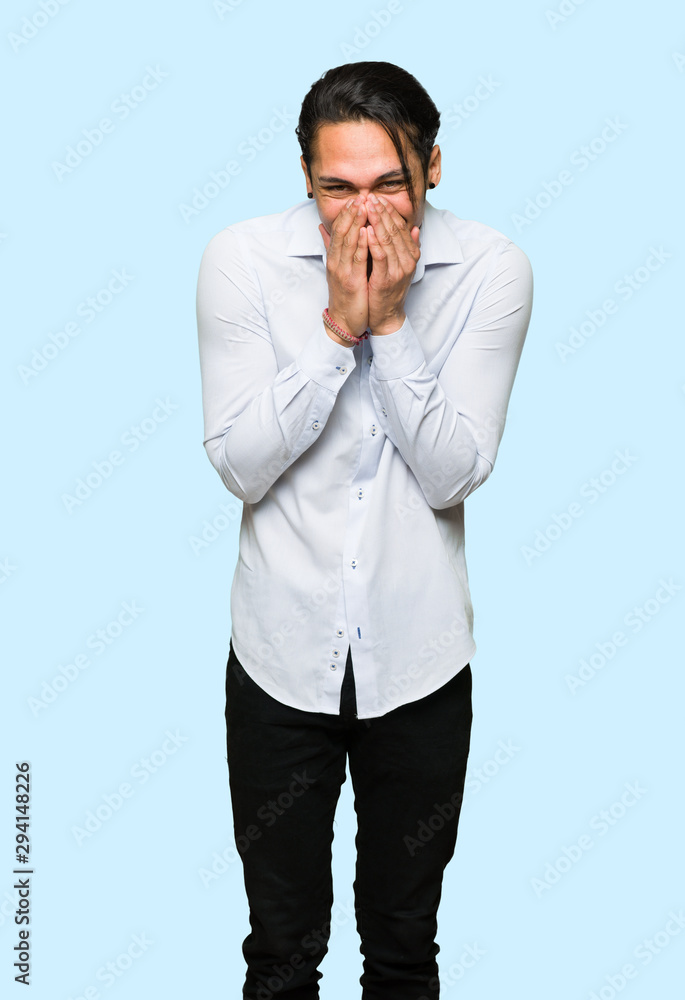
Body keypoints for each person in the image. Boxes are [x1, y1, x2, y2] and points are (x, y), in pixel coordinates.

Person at [196, 60, 533, 1000]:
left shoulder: (492, 269)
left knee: (402, 949)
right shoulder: (241, 261)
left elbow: (453, 473)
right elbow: (238, 467)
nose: (364, 215)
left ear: (432, 168)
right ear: (305, 179)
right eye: (336, 189)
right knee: (279, 952)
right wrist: (335, 332)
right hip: (277, 655)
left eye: (390, 184)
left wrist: (388, 326)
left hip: (419, 662)